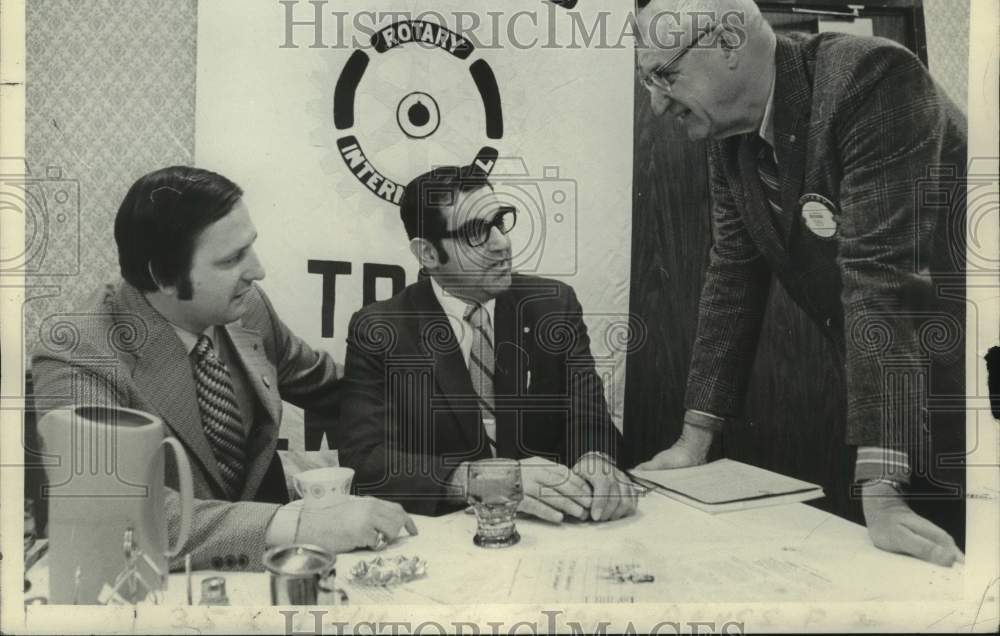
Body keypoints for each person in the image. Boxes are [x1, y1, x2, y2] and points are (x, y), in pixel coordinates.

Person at [634, 0, 967, 567]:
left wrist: (883, 490)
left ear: (729, 43)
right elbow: (732, 278)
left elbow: (881, 280)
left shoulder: (873, 79)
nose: (656, 102)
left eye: (664, 75)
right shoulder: (729, 134)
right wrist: (693, 441)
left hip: (966, 383)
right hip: (894, 386)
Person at [30, 166, 416, 571]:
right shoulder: (77, 349)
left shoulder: (245, 306)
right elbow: (111, 511)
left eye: (250, 247)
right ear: (164, 276)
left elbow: (334, 387)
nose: (257, 270)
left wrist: (458, 407)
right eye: (232, 258)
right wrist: (302, 524)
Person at [337, 165, 637, 523]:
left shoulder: (553, 304)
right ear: (428, 253)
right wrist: (481, 481)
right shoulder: (380, 329)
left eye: (500, 221)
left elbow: (588, 414)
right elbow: (366, 461)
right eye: (477, 233)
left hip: (551, 530)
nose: (502, 243)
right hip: (451, 540)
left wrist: (596, 459)